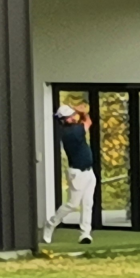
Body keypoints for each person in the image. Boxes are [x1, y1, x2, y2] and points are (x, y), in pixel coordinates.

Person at [43, 104, 95, 245]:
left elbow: (85, 122)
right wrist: (82, 112)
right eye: (71, 116)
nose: (74, 117)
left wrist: (79, 111)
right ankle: (51, 224)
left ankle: (85, 234)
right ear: (65, 120)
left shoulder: (71, 129)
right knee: (72, 204)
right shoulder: (71, 132)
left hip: (88, 171)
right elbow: (88, 122)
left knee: (88, 203)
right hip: (78, 173)